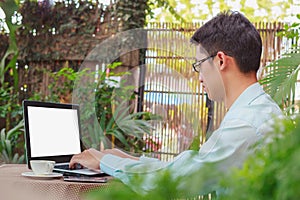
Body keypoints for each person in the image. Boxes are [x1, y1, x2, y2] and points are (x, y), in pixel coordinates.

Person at [70, 11, 282, 194]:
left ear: (220, 60)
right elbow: (190, 167)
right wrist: (125, 159)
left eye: (199, 64)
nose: (199, 77)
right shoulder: (258, 111)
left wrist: (105, 162)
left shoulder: (246, 123)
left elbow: (181, 180)